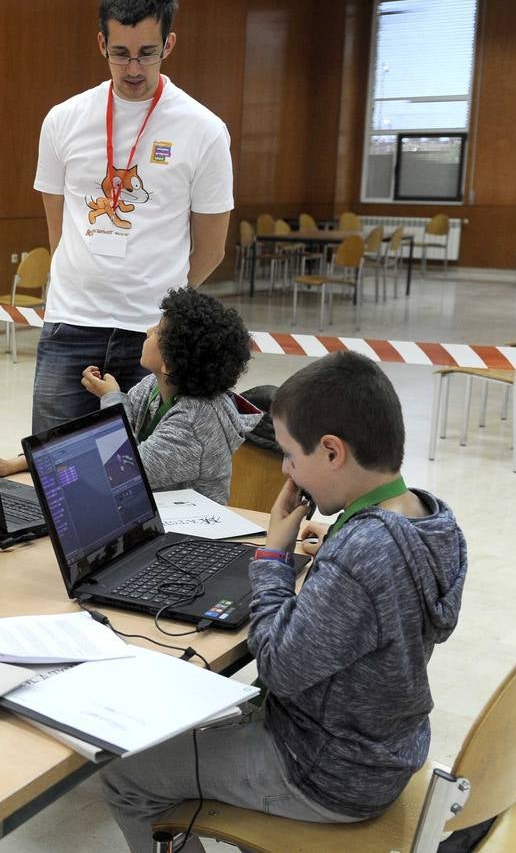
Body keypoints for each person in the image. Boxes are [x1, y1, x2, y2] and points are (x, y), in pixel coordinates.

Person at [99, 351, 468, 852]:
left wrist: (275, 554)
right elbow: (381, 598)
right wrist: (333, 547)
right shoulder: (431, 519)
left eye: (292, 456)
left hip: (323, 769)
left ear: (333, 452)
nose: (288, 471)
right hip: (384, 746)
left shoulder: (364, 552)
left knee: (125, 773)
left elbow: (277, 667)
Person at [31, 0, 233, 434]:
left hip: (151, 335)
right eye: (120, 53)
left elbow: (211, 248)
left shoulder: (203, 129)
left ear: (170, 43)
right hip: (70, 324)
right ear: (101, 43)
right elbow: (57, 228)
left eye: (148, 53)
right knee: (56, 468)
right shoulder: (62, 121)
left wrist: (160, 308)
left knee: (144, 481)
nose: (134, 69)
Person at [0, 287, 257, 505]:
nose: (148, 331)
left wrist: (111, 398)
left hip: (185, 540)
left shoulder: (195, 423)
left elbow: (122, 470)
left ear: (169, 363)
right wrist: (26, 463)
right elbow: (94, 446)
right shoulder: (152, 387)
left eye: (159, 331)